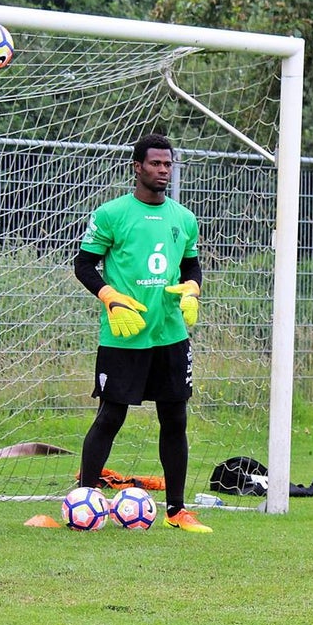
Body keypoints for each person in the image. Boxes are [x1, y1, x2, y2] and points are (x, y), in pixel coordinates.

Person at [73, 133, 210, 534]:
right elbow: (84, 265)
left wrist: (192, 290)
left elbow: (191, 267)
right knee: (110, 416)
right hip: (124, 334)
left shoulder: (183, 219)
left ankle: (177, 511)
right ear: (137, 167)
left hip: (170, 334)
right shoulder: (113, 214)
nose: (163, 170)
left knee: (175, 418)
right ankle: (83, 501)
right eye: (155, 164)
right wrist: (110, 296)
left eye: (168, 164)